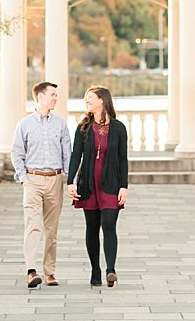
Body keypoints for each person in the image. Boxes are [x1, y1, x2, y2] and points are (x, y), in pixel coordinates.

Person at [66, 85, 129, 288]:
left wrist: (124, 186)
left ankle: (111, 269)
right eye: (86, 98)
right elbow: (76, 155)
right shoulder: (83, 127)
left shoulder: (118, 128)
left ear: (102, 100)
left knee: (109, 224)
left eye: (90, 97)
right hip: (89, 184)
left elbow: (123, 159)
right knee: (92, 227)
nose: (87, 101)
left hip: (111, 184)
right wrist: (70, 182)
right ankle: (95, 269)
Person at [10, 80, 71, 288]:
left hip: (55, 180)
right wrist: (23, 178)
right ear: (41, 96)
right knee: (33, 226)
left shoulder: (60, 124)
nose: (56, 98)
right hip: (32, 180)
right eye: (53, 94)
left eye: (56, 95)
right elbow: (17, 153)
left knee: (51, 230)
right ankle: (31, 271)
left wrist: (70, 181)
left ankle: (50, 272)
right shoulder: (24, 125)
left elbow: (67, 155)